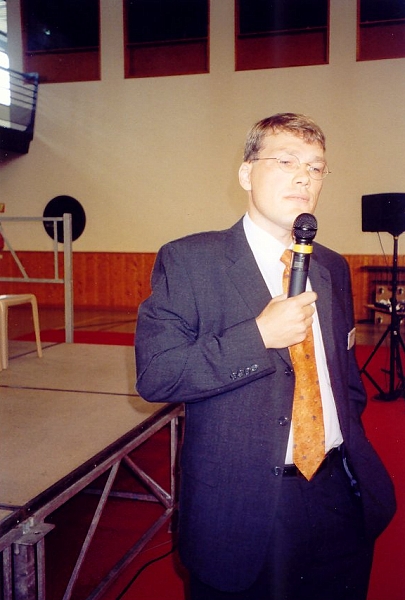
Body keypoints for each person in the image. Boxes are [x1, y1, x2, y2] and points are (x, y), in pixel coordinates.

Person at [135, 113, 396, 600]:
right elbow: (157, 374)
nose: (305, 177)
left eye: (316, 167)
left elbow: (345, 382)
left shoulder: (332, 266)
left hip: (341, 488)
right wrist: (258, 335)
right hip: (248, 505)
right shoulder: (190, 260)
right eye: (287, 161)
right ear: (246, 173)